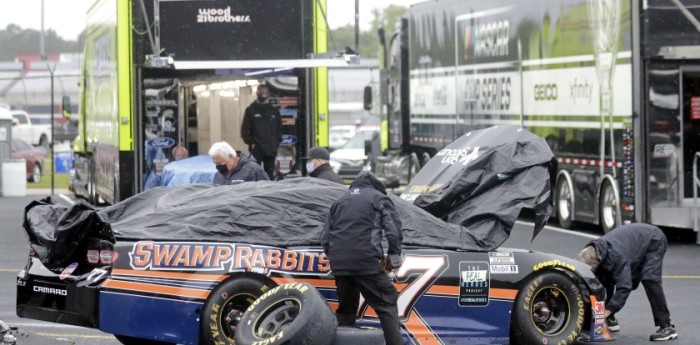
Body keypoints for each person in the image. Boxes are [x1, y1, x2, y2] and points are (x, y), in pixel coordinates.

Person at [320, 171, 404, 345]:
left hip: (340, 265)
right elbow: (393, 230)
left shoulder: (340, 201)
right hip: (366, 261)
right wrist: (395, 255)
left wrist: (336, 258)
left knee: (346, 311)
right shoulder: (379, 198)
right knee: (387, 303)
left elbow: (325, 238)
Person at [577, 223, 677, 341]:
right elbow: (595, 286)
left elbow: (625, 286)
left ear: (597, 262)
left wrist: (608, 310)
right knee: (602, 280)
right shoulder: (591, 251)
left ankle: (666, 326)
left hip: (653, 240)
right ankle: (610, 319)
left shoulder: (616, 258)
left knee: (650, 279)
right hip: (632, 242)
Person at [241, 84, 282, 180]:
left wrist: (276, 143)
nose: (263, 94)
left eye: (265, 92)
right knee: (255, 173)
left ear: (269, 94)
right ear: (257, 93)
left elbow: (279, 129)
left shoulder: (274, 111)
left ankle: (270, 192)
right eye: (261, 92)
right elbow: (245, 129)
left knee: (269, 174)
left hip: (271, 149)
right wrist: (251, 143)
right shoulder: (250, 110)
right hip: (257, 150)